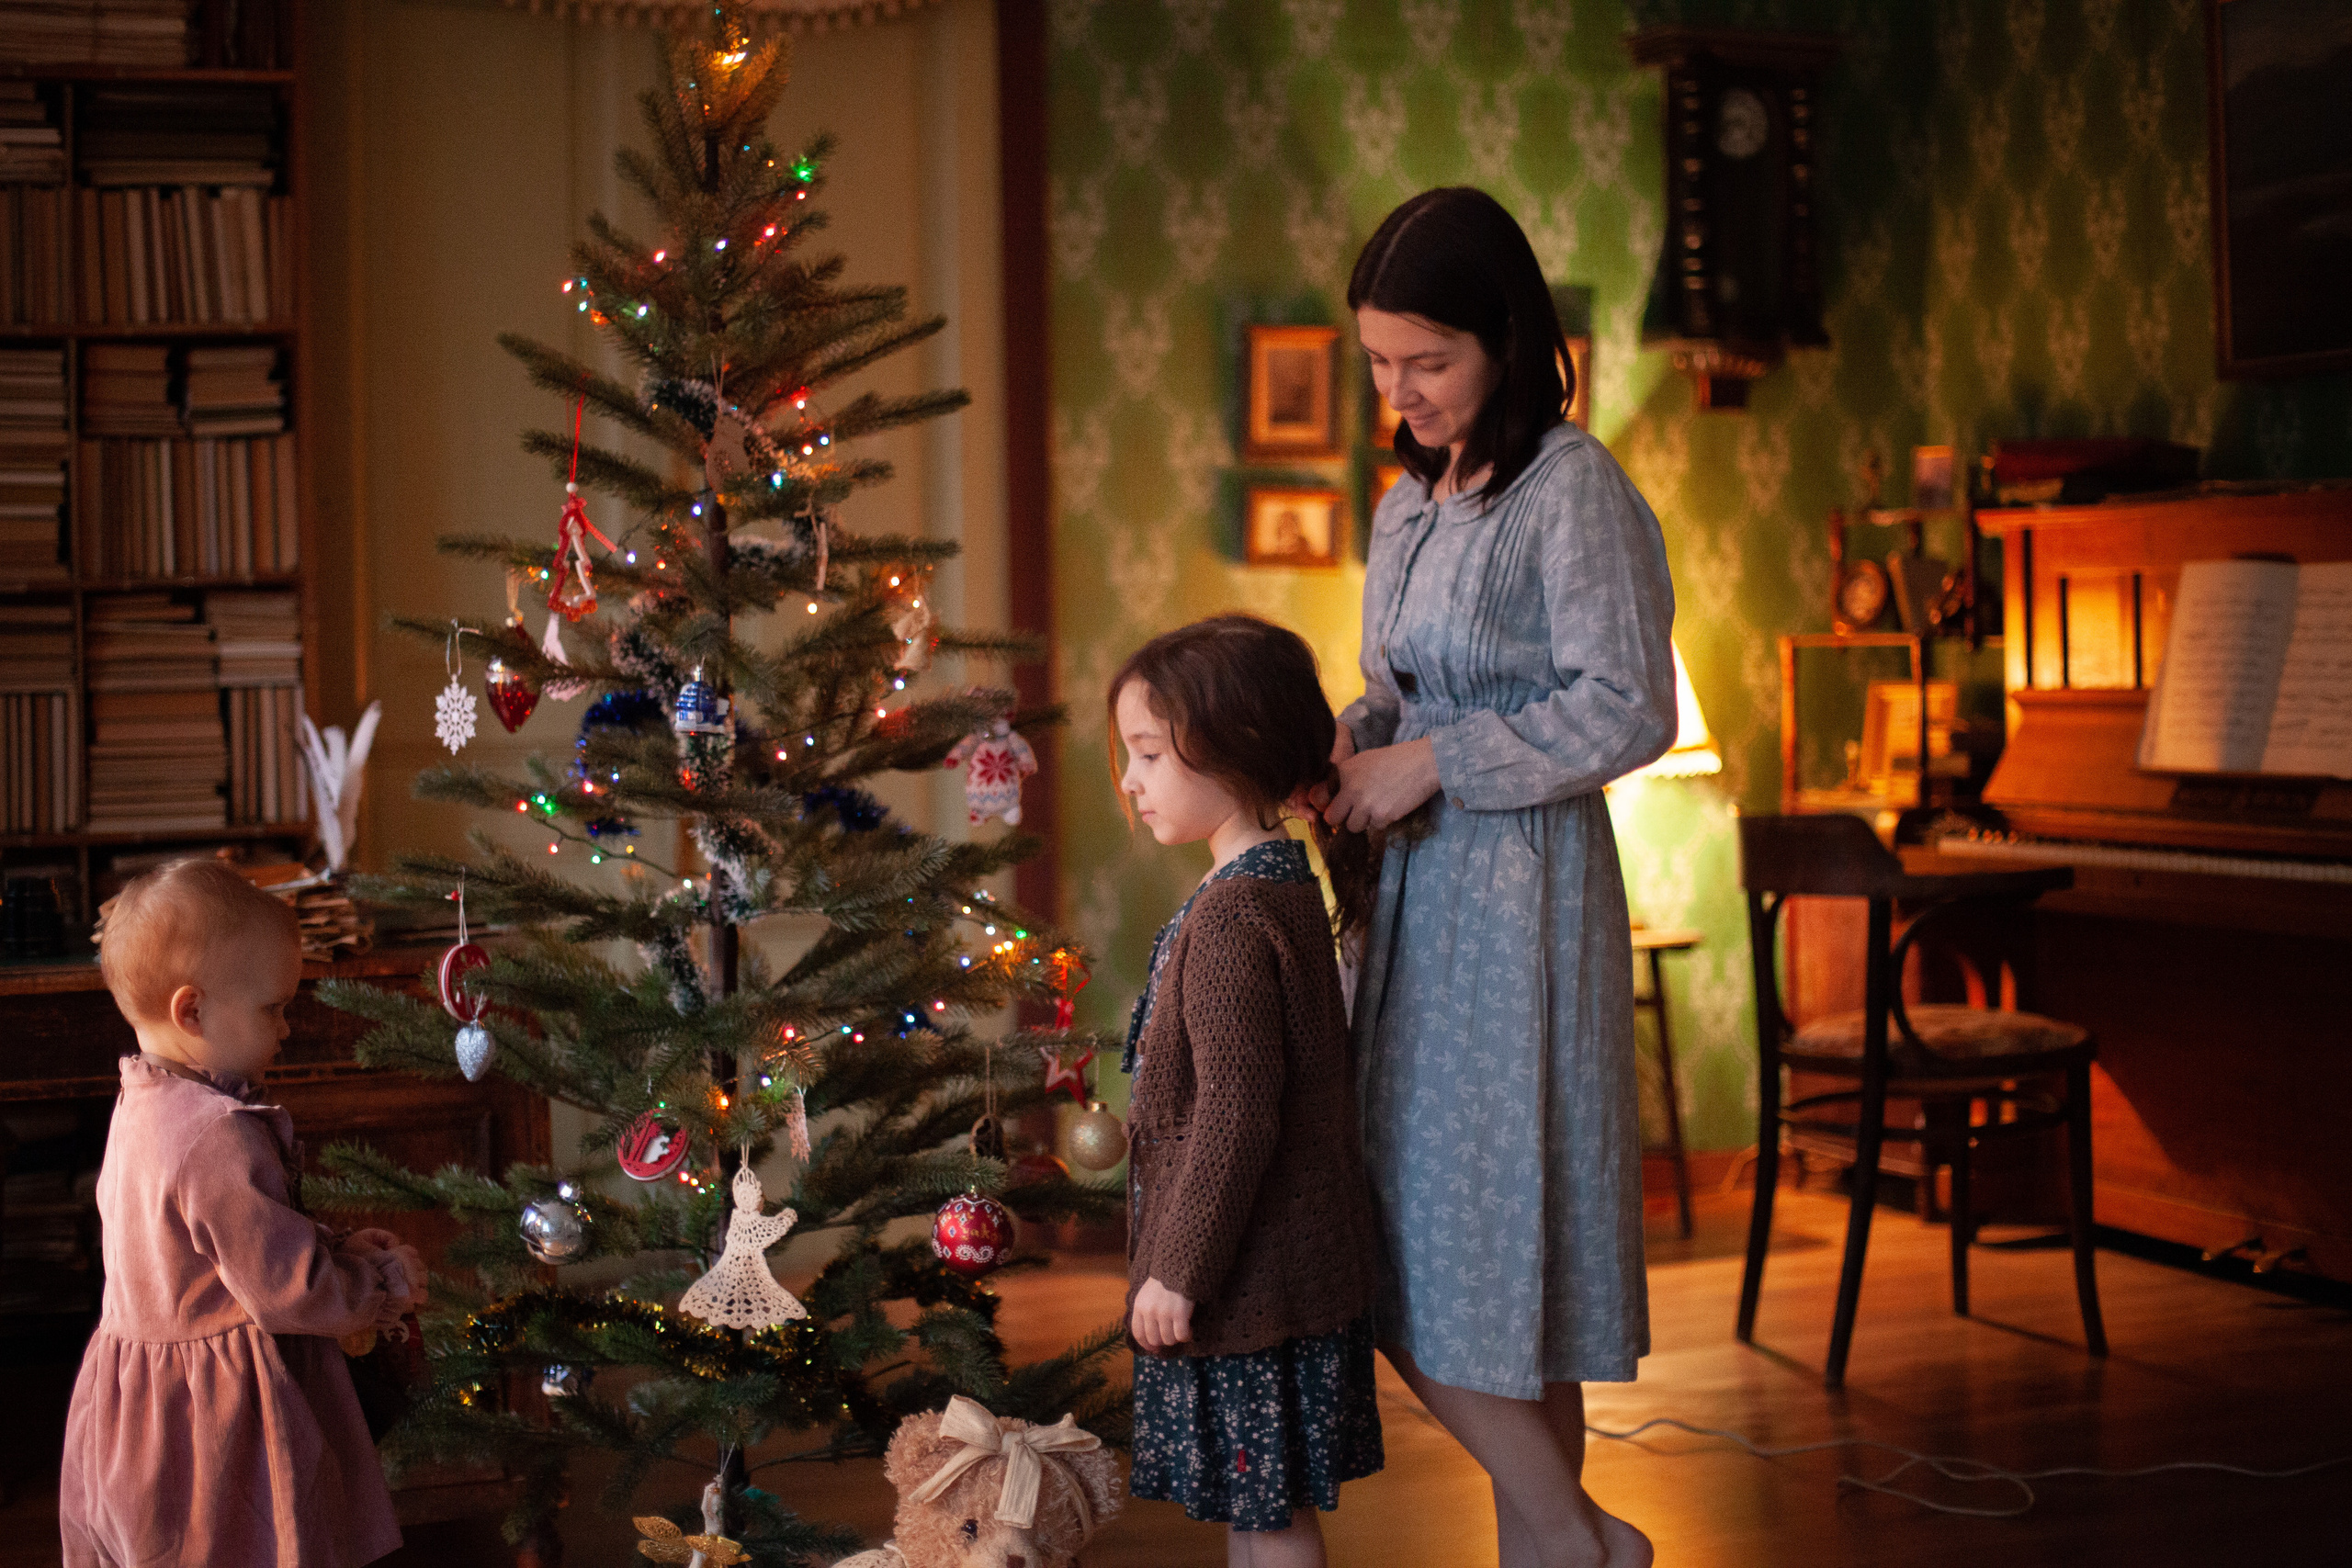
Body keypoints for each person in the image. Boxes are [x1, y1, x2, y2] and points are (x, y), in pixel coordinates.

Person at [1321, 186, 1677, 1568]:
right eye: (1378, 363)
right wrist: (1352, 742)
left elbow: (1629, 704)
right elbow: (1388, 690)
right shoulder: (1408, 507)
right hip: (1407, 900)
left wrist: (1437, 762)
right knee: (1388, 1242)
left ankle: (1550, 1546)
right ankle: (1573, 1533)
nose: (1400, 392)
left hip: (1524, 901)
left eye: (1428, 361)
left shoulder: (1572, 490)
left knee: (1503, 1254)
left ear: (1508, 342)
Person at [61, 857, 428, 1568]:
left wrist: (335, 1240)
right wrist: (375, 1282)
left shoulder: (139, 1105)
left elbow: (213, 1250)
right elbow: (286, 1285)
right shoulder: (216, 1132)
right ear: (192, 1009)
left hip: (135, 1410)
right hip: (215, 1418)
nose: (286, 1027)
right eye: (273, 1007)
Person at [1113, 615, 1385, 1568]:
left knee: (1266, 1519)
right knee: (1259, 1513)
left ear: (1235, 750)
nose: (1129, 780)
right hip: (1274, 1277)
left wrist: (1179, 1266)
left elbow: (1236, 1110)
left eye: (1147, 753)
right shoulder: (1273, 883)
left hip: (1249, 1283)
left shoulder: (1235, 915)